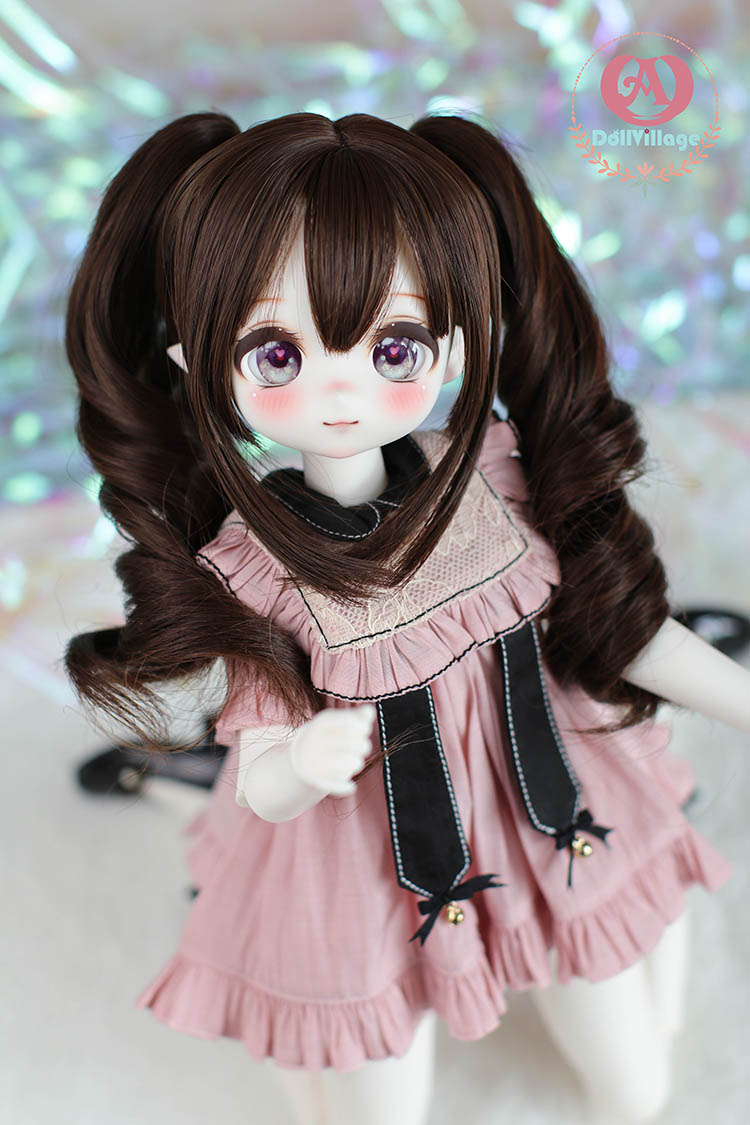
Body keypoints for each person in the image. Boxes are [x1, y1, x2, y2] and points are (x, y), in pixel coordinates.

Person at [64, 111, 748, 1125]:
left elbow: (624, 633)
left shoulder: (499, 480)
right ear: (193, 361)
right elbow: (266, 775)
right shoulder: (254, 571)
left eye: (393, 347)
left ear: (456, 340)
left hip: (552, 817)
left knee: (637, 1089)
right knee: (372, 1106)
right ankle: (171, 788)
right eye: (277, 354)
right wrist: (304, 764)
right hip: (363, 856)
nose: (341, 388)